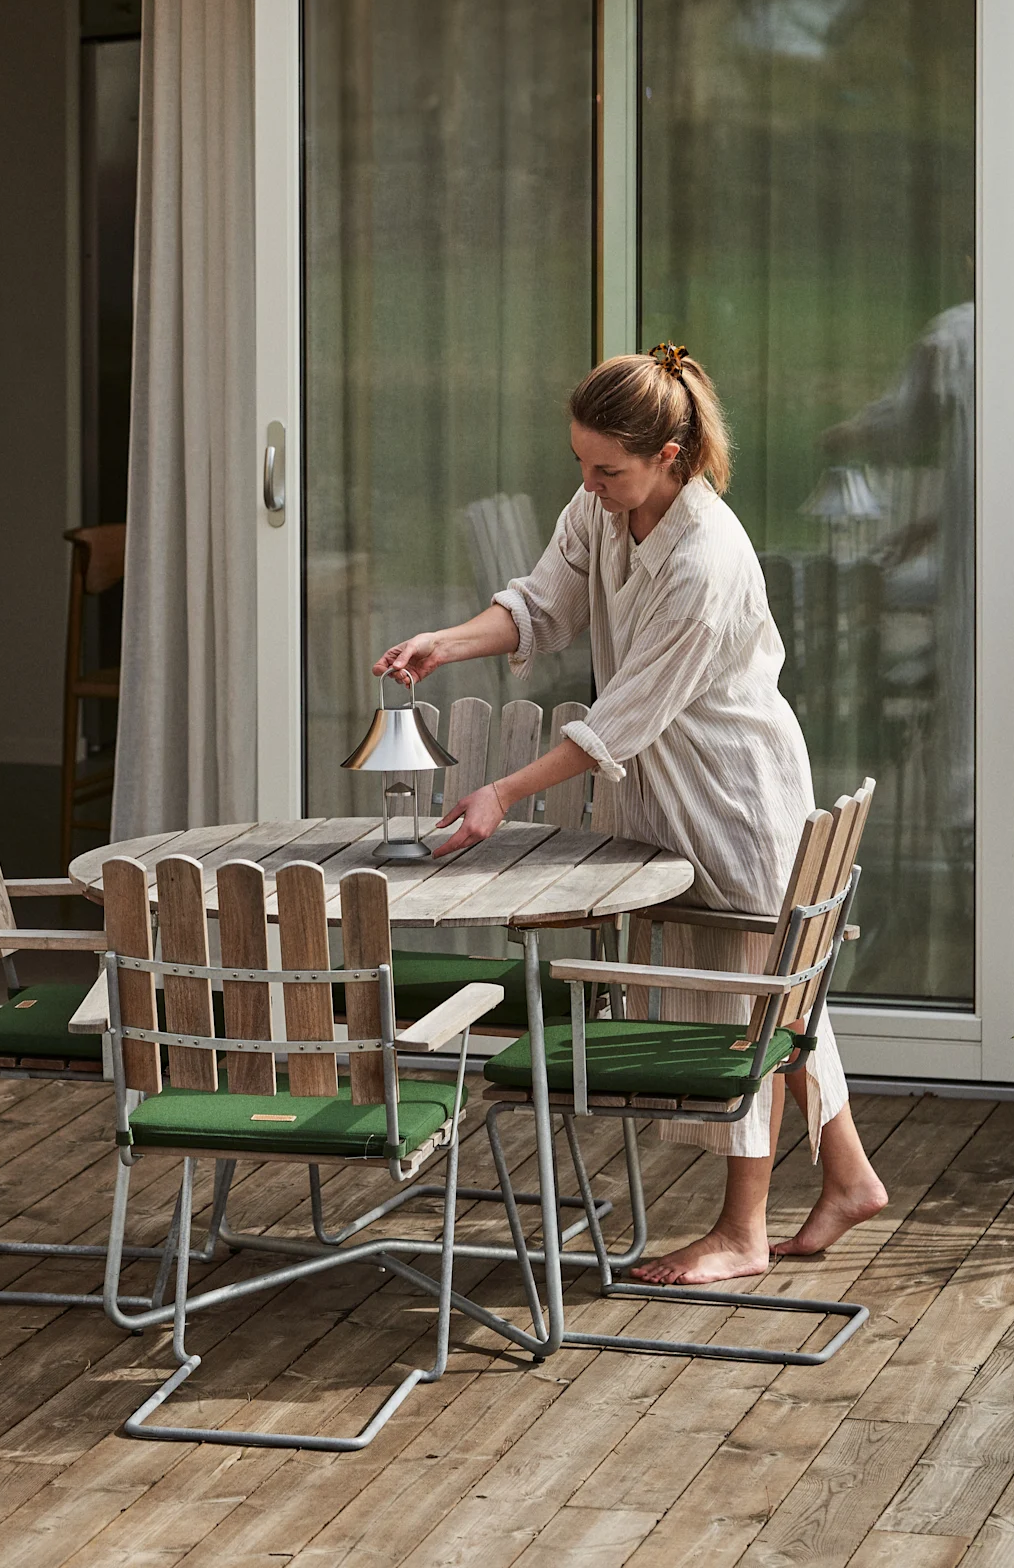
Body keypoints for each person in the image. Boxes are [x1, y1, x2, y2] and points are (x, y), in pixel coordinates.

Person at [373, 346, 887, 1284]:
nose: (589, 484)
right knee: (782, 991)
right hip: (665, 786)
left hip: (733, 795)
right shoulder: (602, 510)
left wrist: (502, 792)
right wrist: (446, 644)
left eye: (608, 468)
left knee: (754, 1003)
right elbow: (541, 606)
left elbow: (622, 718)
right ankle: (847, 1176)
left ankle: (743, 1231)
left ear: (675, 455)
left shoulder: (706, 560)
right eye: (580, 462)